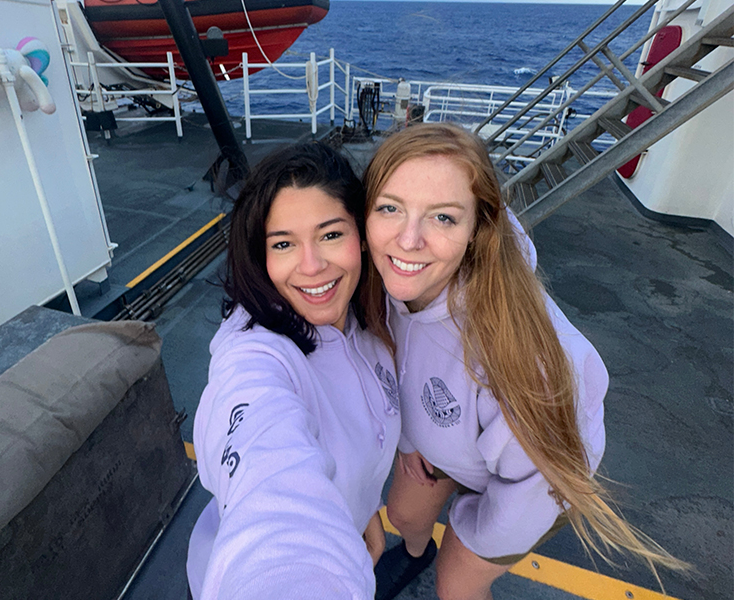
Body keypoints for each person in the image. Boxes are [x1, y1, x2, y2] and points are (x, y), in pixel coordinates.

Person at [362, 123, 687, 600]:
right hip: (450, 443)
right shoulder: (389, 280)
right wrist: (412, 438)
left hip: (529, 483)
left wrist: (474, 536)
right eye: (390, 208)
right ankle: (415, 552)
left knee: (458, 589)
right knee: (405, 516)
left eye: (444, 218)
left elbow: (539, 484)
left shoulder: (523, 356)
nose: (408, 241)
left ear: (479, 228)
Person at [185, 143, 400, 600]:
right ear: (260, 256)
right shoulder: (255, 355)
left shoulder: (368, 316)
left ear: (362, 235)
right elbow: (270, 476)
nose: (311, 265)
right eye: (283, 243)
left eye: (330, 235)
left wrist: (364, 511)